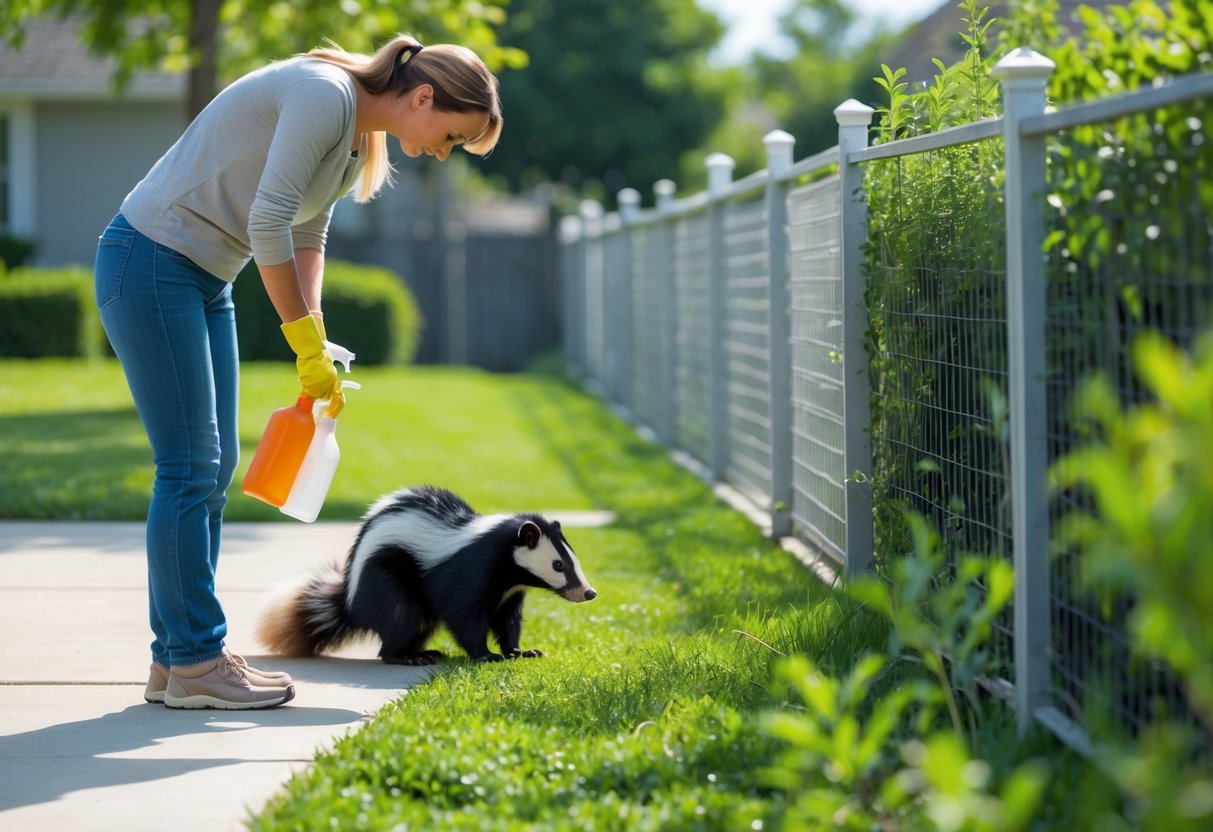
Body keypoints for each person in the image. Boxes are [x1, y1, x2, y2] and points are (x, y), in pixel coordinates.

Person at [94, 34, 502, 709]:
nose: (440, 153)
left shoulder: (354, 138)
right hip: (151, 262)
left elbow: (306, 236)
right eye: (450, 136)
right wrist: (302, 343)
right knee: (189, 467)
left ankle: (176, 662)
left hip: (201, 277)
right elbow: (267, 224)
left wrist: (311, 342)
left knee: (208, 470)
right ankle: (196, 655)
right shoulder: (324, 95)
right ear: (424, 96)